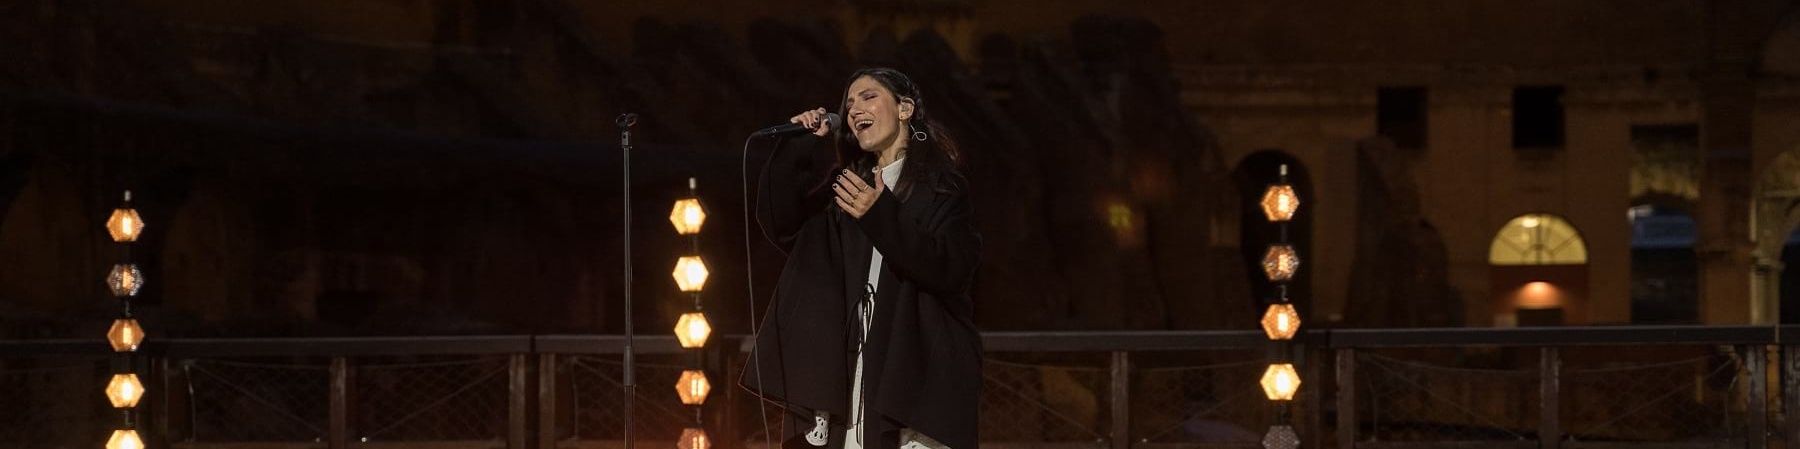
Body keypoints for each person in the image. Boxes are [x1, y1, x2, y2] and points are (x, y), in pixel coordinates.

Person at [741, 67, 982, 449]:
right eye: (849, 103)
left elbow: (949, 269)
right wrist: (799, 144)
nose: (854, 109)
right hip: (848, 359)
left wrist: (879, 214)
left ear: (905, 109)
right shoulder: (849, 184)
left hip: (909, 364)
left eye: (868, 96)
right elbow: (783, 223)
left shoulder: (942, 187)